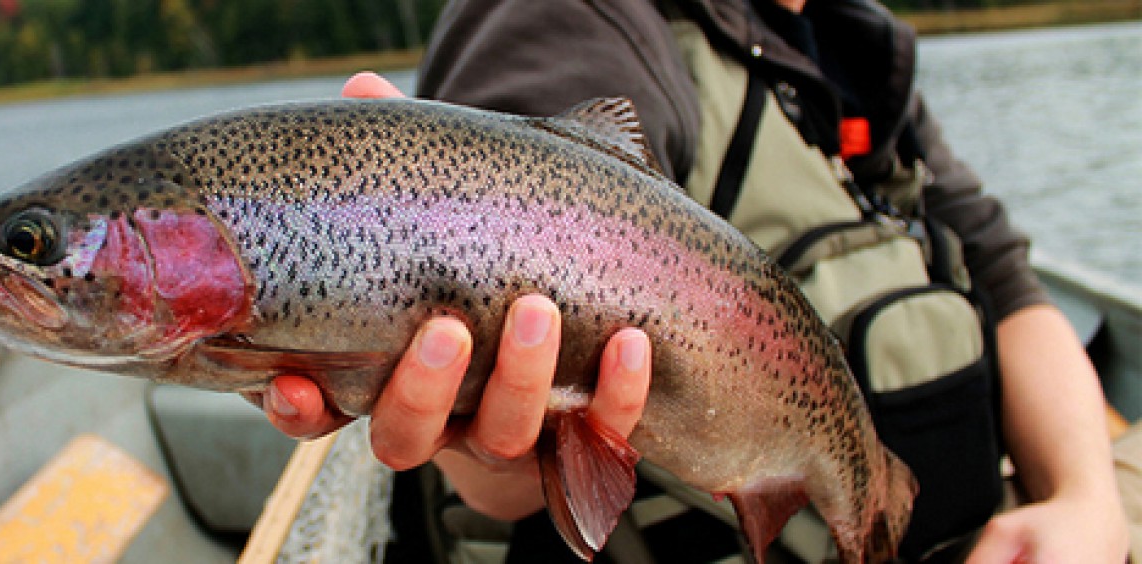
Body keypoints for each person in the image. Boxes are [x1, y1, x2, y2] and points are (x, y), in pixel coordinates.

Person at [258, 0, 1130, 559]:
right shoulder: (570, 17)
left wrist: (1087, 499)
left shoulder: (853, 49)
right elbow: (495, 470)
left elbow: (1009, 284)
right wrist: (492, 459)